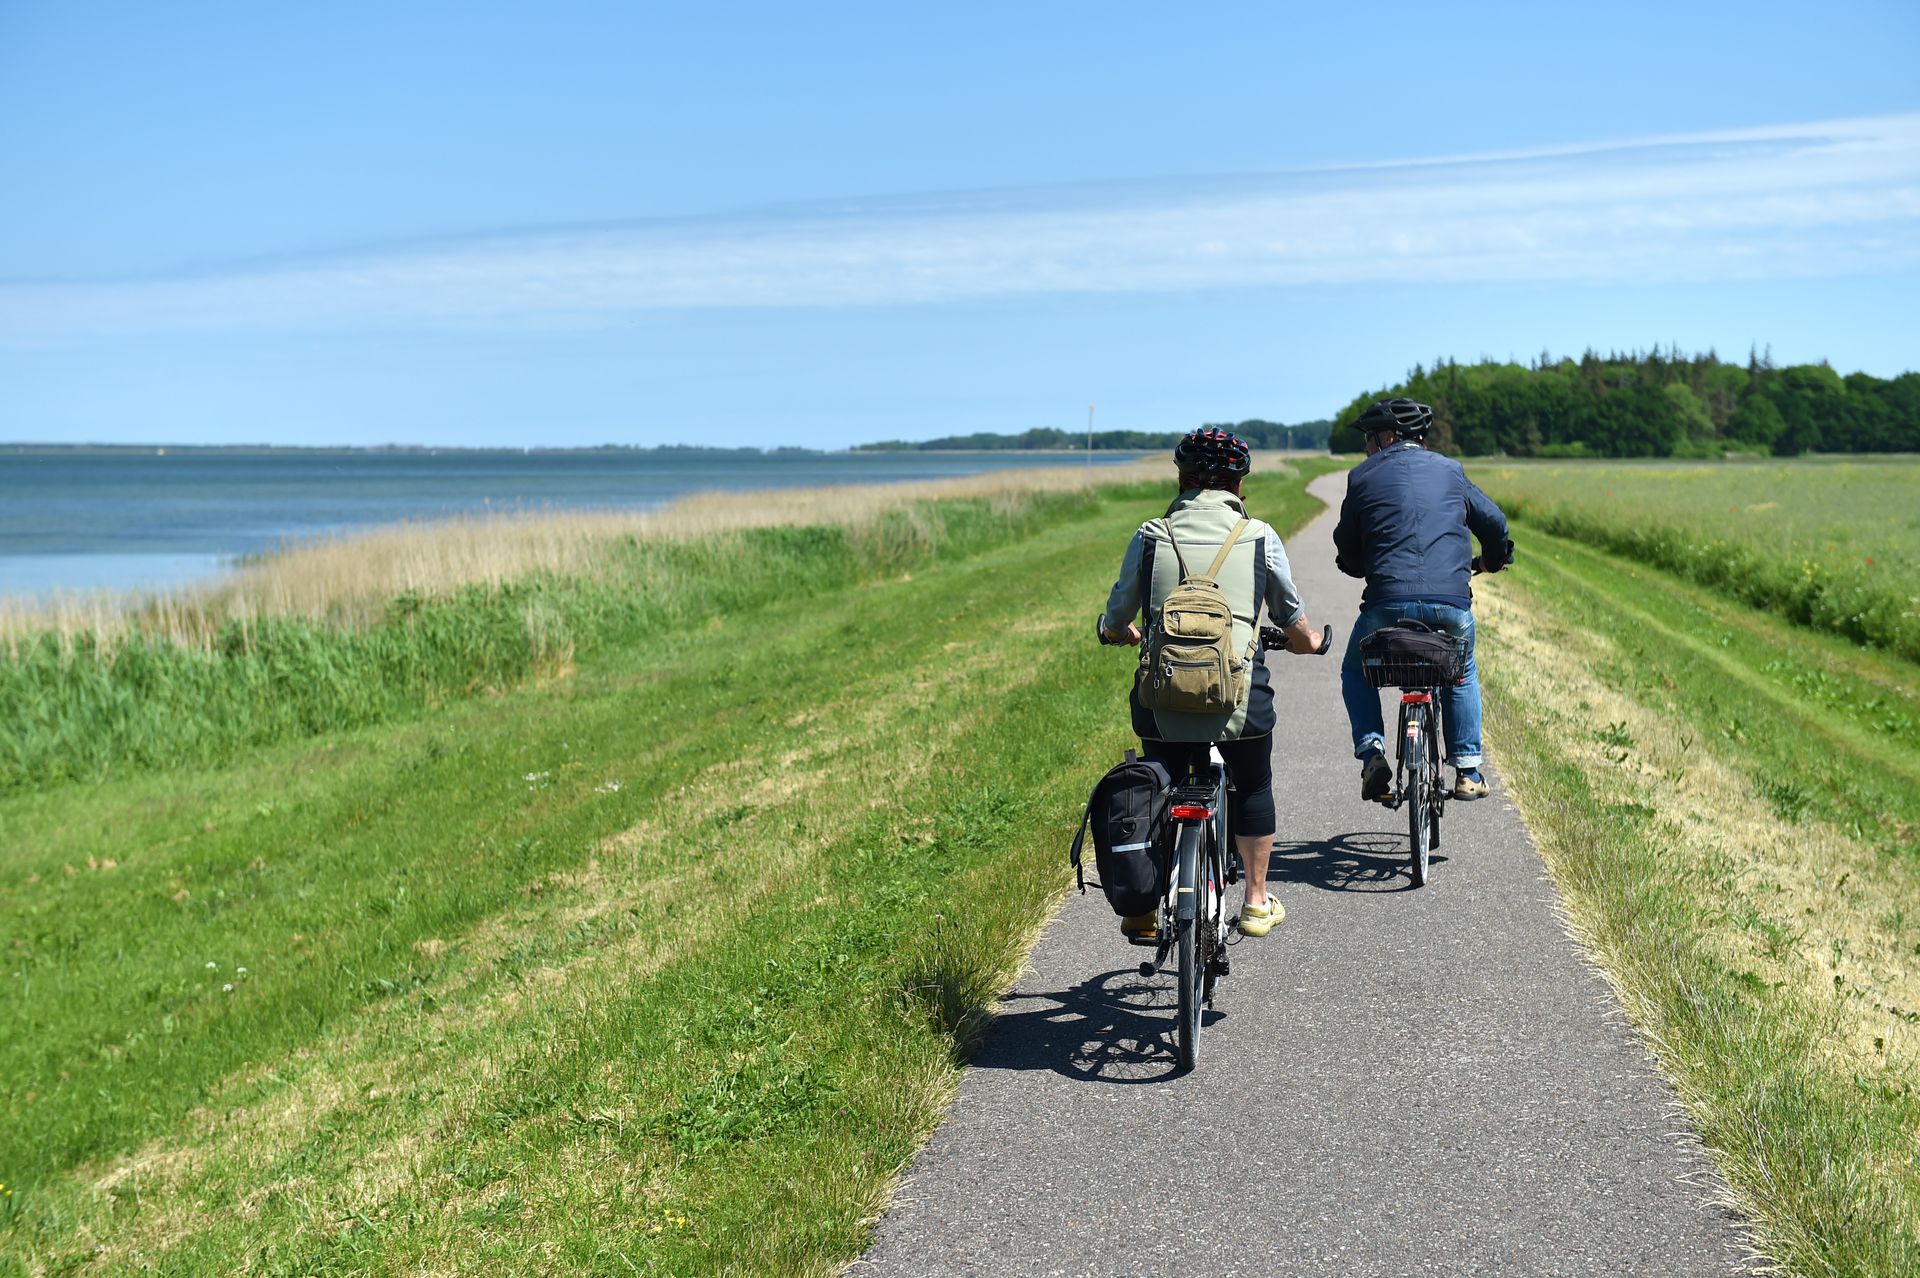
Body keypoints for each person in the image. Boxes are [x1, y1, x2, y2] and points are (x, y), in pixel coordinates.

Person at [1098, 428, 1324, 939]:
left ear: (1181, 480)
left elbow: (1118, 614)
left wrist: (1117, 633)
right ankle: (1256, 903)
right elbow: (1292, 619)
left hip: (1164, 702)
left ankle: (1143, 908)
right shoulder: (1260, 536)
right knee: (1254, 783)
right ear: (1238, 485)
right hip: (1239, 703)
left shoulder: (1152, 534)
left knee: (1159, 784)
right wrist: (1310, 642)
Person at [1332, 398, 1512, 803]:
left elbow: (1346, 546)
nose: (1366, 448)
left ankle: (1373, 751)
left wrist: (1356, 564)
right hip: (1450, 602)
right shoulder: (1451, 471)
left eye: (1369, 439)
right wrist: (1492, 560)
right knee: (1460, 669)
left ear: (1388, 436)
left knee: (1355, 672)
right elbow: (1495, 523)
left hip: (1386, 603)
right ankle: (1467, 770)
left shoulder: (1361, 477)